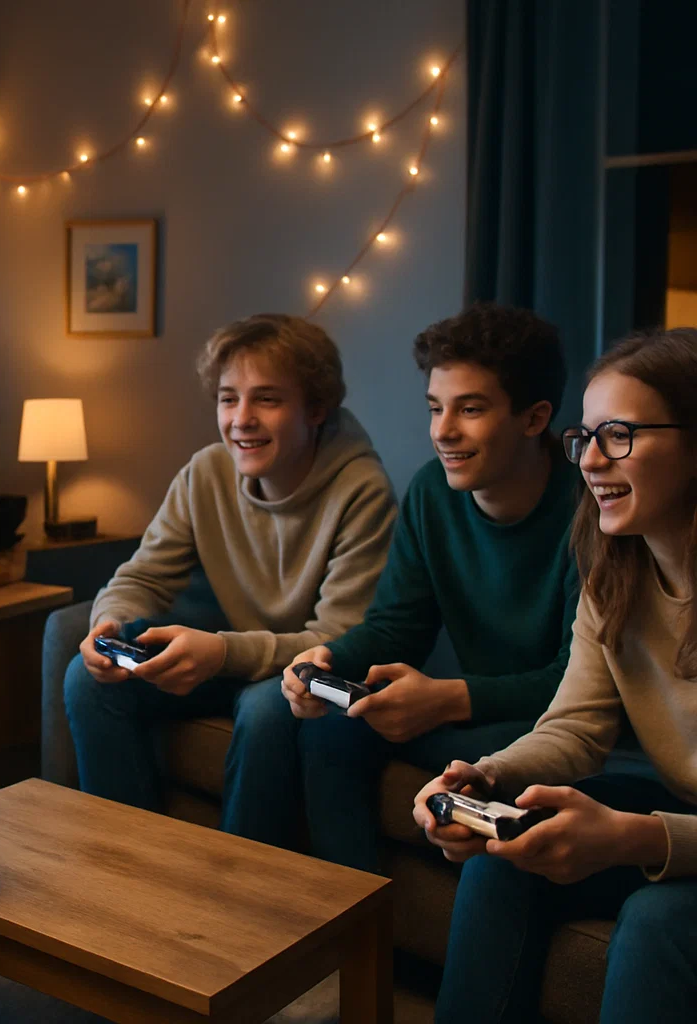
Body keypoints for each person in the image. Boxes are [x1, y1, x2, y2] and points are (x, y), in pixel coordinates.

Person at [223, 304, 581, 869]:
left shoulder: (590, 507)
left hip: (554, 726)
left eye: (471, 409)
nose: (443, 431)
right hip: (475, 710)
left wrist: (447, 698)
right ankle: (339, 922)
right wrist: (327, 657)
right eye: (436, 408)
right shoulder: (432, 492)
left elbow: (580, 682)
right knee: (327, 729)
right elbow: (399, 626)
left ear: (535, 419)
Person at [413, 328, 697, 1024]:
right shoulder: (613, 578)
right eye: (586, 437)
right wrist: (484, 775)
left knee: (660, 921)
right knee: (505, 847)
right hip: (679, 806)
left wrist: (636, 836)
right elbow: (575, 726)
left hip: (677, 829)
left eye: (620, 435)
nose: (592, 460)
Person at [64, 313, 398, 817]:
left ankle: (235, 885)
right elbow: (143, 575)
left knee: (267, 708)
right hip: (233, 659)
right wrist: (108, 624)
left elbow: (338, 639)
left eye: (267, 398)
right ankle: (121, 863)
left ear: (316, 408)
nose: (241, 418)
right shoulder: (206, 472)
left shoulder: (364, 492)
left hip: (303, 675)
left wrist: (221, 653)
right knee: (86, 677)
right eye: (228, 398)